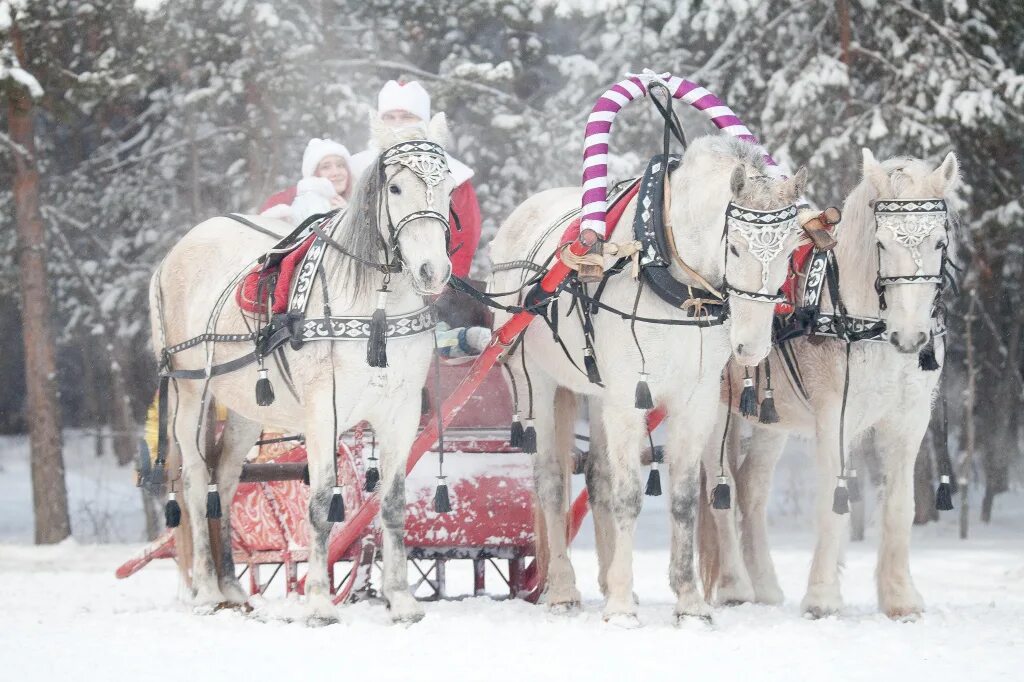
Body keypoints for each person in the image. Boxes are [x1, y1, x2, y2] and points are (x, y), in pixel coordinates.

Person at [349, 80, 482, 280]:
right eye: (389, 117)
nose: (397, 123)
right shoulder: (353, 168)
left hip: (429, 278)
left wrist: (446, 284)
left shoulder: (455, 176)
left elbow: (464, 236)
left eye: (406, 117)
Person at [261, 138, 353, 225]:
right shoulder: (311, 203)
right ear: (314, 174)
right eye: (326, 167)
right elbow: (316, 238)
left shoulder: (352, 201)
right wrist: (342, 219)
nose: (336, 172)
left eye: (341, 165)